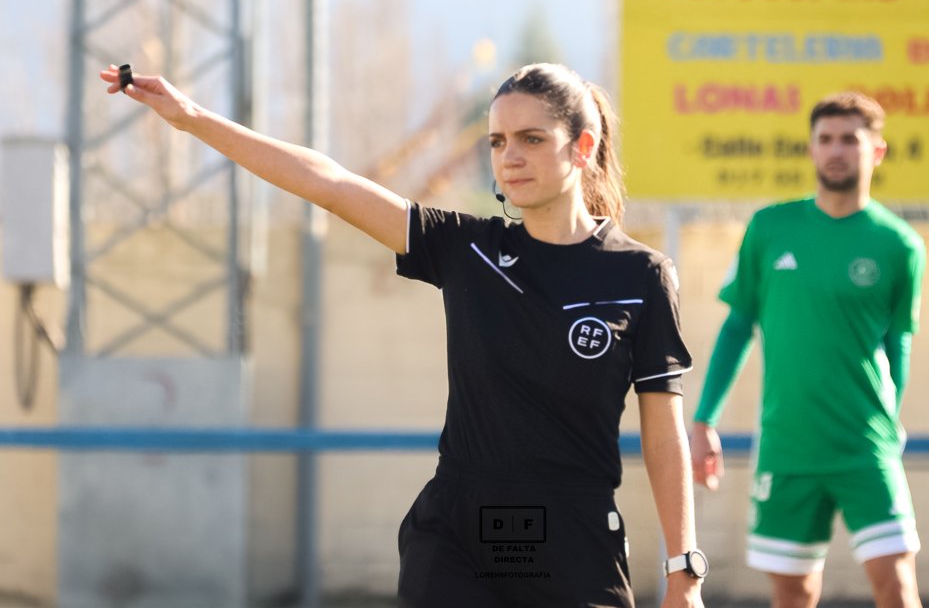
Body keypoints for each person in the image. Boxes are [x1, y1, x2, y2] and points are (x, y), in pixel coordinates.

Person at [101, 62, 706, 607]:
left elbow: (664, 432)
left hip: (573, 534)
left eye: (530, 139)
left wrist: (684, 568)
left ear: (583, 147)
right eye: (497, 142)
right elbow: (328, 183)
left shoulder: (641, 275)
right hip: (457, 533)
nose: (509, 157)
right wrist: (194, 120)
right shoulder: (468, 249)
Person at [690, 92, 925, 608]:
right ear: (811, 149)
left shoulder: (899, 244)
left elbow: (898, 341)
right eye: (825, 139)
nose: (836, 150)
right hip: (787, 447)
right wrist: (705, 418)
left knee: (898, 586)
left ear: (877, 151)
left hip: (866, 445)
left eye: (849, 139)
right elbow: (737, 327)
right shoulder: (770, 228)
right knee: (794, 595)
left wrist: (892, 415)